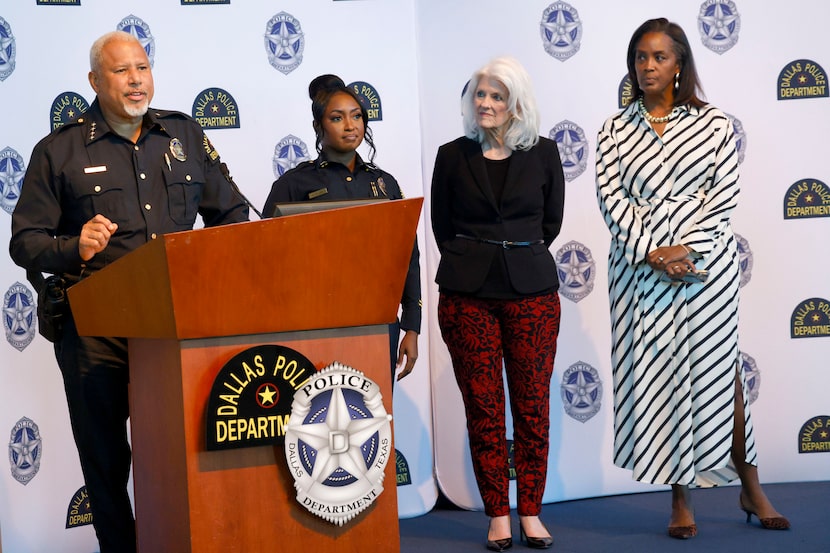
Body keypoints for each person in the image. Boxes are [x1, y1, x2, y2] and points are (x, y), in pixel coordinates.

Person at [9, 31, 249, 552]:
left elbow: (231, 212)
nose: (136, 79)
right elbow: (25, 241)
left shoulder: (183, 135)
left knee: (184, 449)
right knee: (106, 460)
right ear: (95, 81)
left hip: (176, 323)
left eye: (142, 67)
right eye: (121, 71)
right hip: (98, 329)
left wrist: (211, 270)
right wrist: (75, 246)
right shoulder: (59, 150)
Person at [595, 18, 789, 540]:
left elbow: (721, 197)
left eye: (659, 57)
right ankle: (680, 497)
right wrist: (653, 252)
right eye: (640, 57)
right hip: (641, 274)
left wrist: (687, 249)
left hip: (705, 270)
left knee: (719, 378)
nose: (648, 66)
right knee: (661, 381)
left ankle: (750, 484)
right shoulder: (613, 129)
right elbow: (612, 201)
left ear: (680, 63)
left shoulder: (716, 124)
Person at [431, 56, 564, 551]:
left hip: (532, 295)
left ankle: (530, 510)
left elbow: (550, 224)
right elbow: (443, 228)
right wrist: (476, 258)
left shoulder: (546, 153)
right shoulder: (451, 155)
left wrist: (515, 255)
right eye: (480, 95)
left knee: (532, 407)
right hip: (467, 298)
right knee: (484, 408)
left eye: (497, 96)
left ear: (516, 103)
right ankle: (497, 514)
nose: (485, 103)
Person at [262, 74, 421, 381]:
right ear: (319, 126)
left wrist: (411, 326)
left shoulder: (385, 183)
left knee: (374, 418)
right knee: (318, 420)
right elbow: (266, 260)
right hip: (312, 325)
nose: (350, 126)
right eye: (337, 118)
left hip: (378, 323)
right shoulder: (293, 184)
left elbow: (408, 258)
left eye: (357, 116)